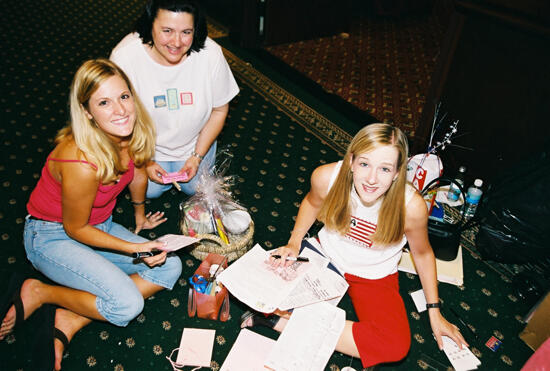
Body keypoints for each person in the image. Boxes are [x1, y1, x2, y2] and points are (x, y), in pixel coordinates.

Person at [0, 59, 182, 371]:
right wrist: (134, 247)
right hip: (51, 235)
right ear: (87, 111)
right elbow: (75, 228)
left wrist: (139, 216)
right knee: (127, 304)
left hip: (99, 224)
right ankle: (41, 291)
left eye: (124, 97)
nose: (120, 110)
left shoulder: (131, 130)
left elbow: (137, 170)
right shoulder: (81, 161)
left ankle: (73, 314)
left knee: (170, 266)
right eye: (104, 102)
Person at [241, 123, 468, 368]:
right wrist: (294, 243)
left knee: (394, 345)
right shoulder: (327, 176)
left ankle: (281, 322)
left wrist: (434, 310)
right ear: (351, 161)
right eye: (364, 164)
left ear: (397, 172)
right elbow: (311, 203)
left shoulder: (411, 206)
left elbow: (422, 254)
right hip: (325, 255)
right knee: (259, 288)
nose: (371, 179)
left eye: (384, 168)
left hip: (375, 275)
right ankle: (290, 318)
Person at [110, 0, 239, 198]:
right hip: (145, 146)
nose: (176, 42)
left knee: (195, 188)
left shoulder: (210, 54)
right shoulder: (124, 57)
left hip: (194, 143)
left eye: (186, 32)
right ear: (150, 24)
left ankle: (203, 153)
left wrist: (197, 157)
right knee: (149, 191)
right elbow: (114, 119)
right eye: (167, 31)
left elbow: (220, 110)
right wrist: (144, 161)